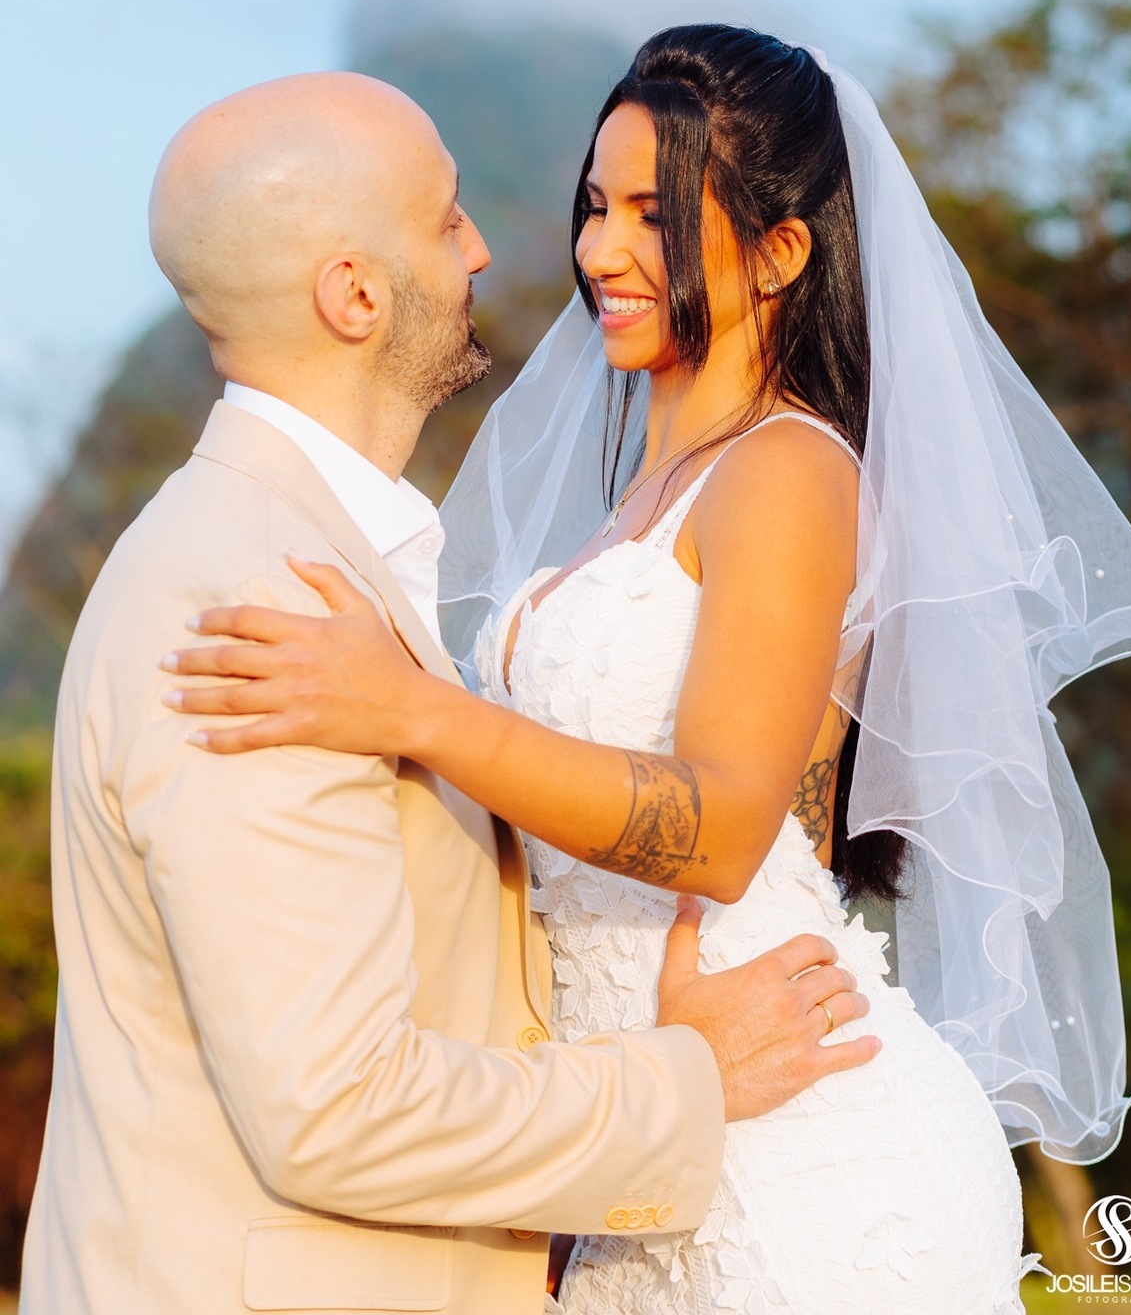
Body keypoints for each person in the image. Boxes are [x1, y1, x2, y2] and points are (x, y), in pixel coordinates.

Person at [166, 31, 1131, 1315]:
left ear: (780, 253)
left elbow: (714, 828)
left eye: (656, 216)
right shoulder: (634, 506)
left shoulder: (790, 473)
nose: (601, 251)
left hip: (803, 1149)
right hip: (651, 1140)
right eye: (597, 207)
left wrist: (413, 709)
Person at [19, 70, 881, 1315]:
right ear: (355, 293)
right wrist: (687, 1078)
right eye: (445, 219)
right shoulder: (260, 603)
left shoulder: (314, 562)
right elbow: (336, 1110)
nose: (499, 248)